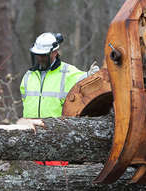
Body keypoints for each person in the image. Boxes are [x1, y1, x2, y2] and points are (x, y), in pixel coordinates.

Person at [20, 32, 99, 166]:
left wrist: (92, 76)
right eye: (37, 55)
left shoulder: (67, 72)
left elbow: (86, 81)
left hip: (56, 137)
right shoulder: (29, 76)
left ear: (54, 53)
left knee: (56, 180)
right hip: (31, 137)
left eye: (43, 56)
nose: (39, 59)